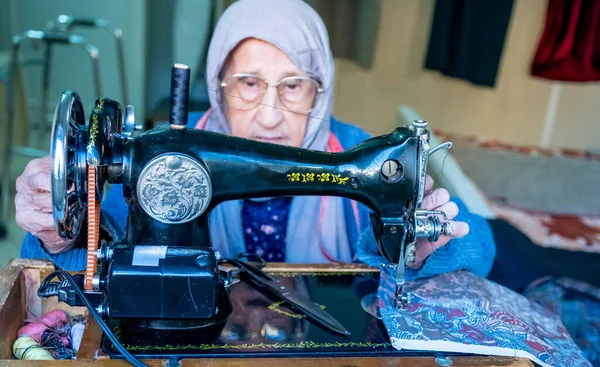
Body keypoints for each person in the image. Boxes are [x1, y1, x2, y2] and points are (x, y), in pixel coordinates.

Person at [16, 0, 496, 279]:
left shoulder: (363, 154)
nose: (270, 116)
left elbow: (481, 246)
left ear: (320, 89)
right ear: (218, 84)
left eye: (293, 85)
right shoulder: (156, 160)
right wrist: (57, 236)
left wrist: (425, 254)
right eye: (248, 83)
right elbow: (55, 271)